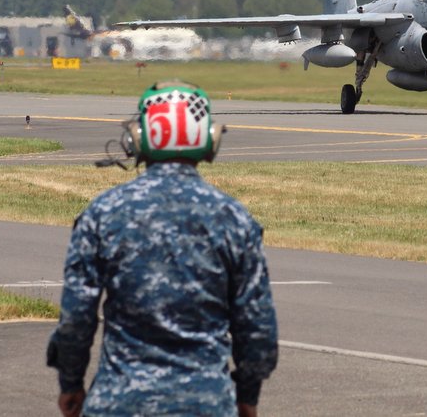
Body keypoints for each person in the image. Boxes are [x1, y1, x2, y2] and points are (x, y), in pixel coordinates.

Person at [47, 80, 278, 416]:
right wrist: (247, 396)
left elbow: (76, 317)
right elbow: (257, 327)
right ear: (209, 139)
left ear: (137, 139)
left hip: (119, 402)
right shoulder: (233, 218)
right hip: (206, 403)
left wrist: (71, 384)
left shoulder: (104, 212)